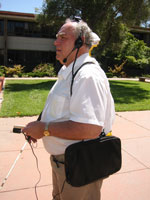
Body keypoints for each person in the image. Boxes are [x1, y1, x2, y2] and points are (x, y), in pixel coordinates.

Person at [23, 17, 115, 200]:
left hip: (80, 165)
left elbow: (90, 128)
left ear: (80, 42)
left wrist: (44, 129)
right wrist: (40, 126)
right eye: (57, 37)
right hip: (64, 163)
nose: (56, 41)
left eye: (63, 37)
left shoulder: (87, 76)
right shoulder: (69, 71)